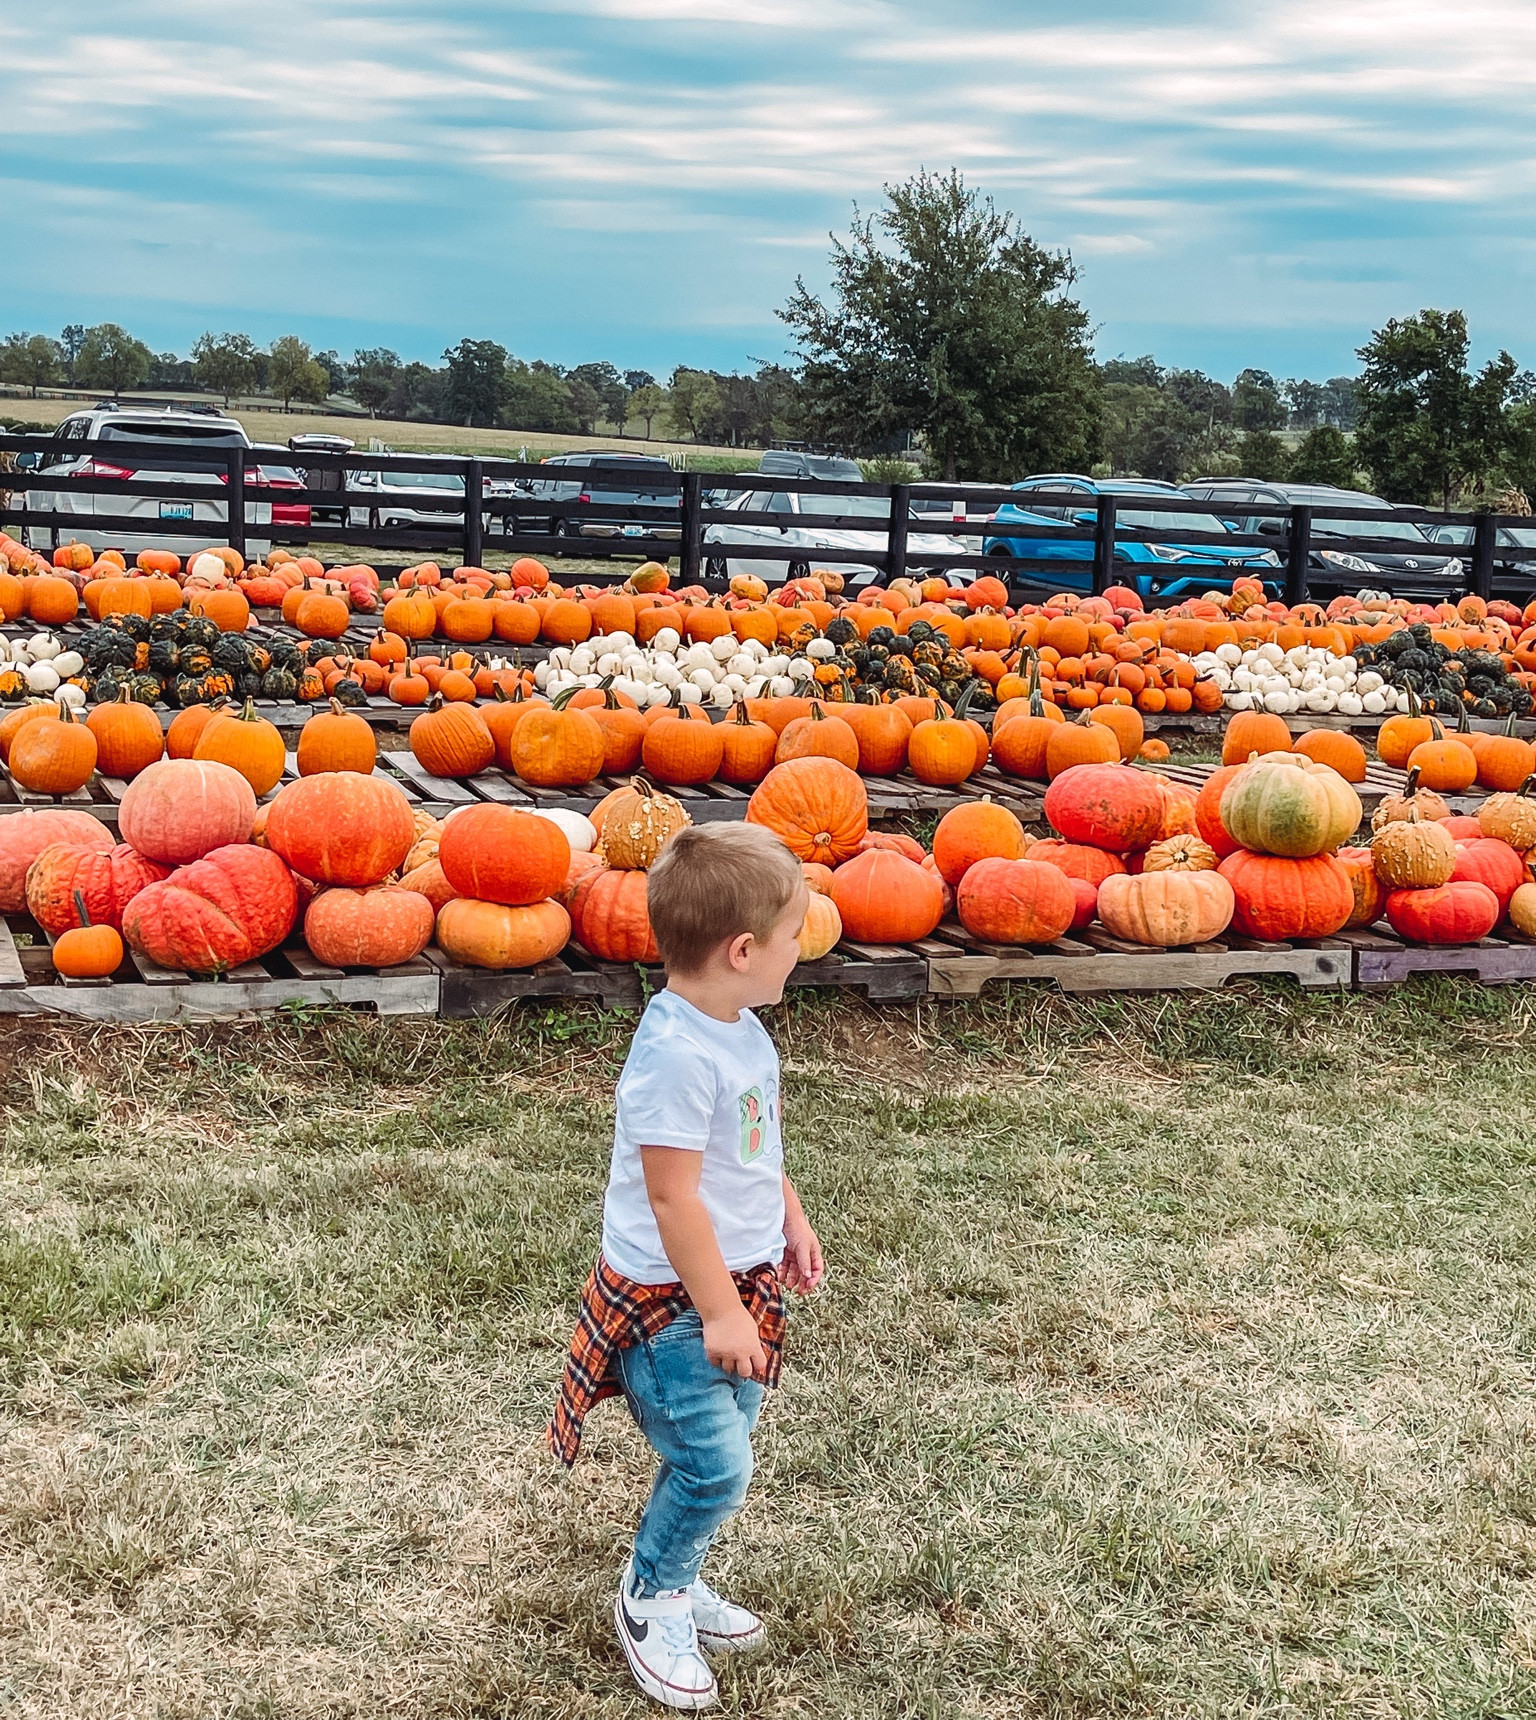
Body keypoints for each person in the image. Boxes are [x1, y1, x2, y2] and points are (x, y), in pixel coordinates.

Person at [549, 822, 825, 1711]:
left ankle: (677, 1571)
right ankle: (650, 1597)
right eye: (795, 939)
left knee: (726, 1442)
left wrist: (788, 1215)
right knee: (716, 1465)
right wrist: (719, 1312)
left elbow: (752, 1143)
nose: (802, 953)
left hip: (737, 1278)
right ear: (743, 950)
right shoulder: (673, 1055)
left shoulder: (740, 1027)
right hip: (673, 1303)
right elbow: (672, 1199)